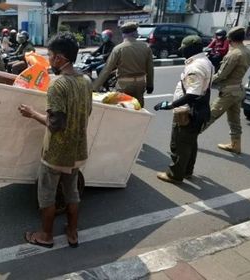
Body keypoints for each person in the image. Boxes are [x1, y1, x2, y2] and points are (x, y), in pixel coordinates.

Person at [18, 32, 92, 248]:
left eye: (50, 56)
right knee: (72, 192)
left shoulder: (57, 86)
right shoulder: (86, 81)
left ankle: (46, 236)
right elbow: (87, 112)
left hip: (56, 154)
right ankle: (72, 232)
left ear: (60, 58)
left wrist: (32, 113)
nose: (49, 60)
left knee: (47, 196)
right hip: (78, 151)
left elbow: (55, 124)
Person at [153, 36, 214, 183]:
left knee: (180, 144)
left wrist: (170, 105)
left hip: (188, 111)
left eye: (184, 49)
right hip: (199, 109)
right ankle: (187, 171)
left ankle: (175, 175)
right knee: (190, 142)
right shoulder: (206, 62)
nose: (182, 52)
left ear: (191, 48)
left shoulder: (195, 66)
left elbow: (193, 93)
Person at [201, 26, 250, 154]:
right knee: (234, 120)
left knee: (209, 116)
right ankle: (235, 145)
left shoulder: (234, 54)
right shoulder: (248, 52)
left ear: (229, 39)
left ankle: (188, 139)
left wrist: (205, 81)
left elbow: (222, 74)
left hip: (228, 92)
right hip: (239, 89)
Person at [93, 22, 154, 108]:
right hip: (140, 84)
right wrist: (150, 85)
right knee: (139, 109)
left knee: (124, 111)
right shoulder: (146, 47)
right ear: (135, 33)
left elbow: (107, 69)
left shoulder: (118, 49)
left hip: (124, 85)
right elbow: (150, 68)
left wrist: (95, 88)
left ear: (123, 35)